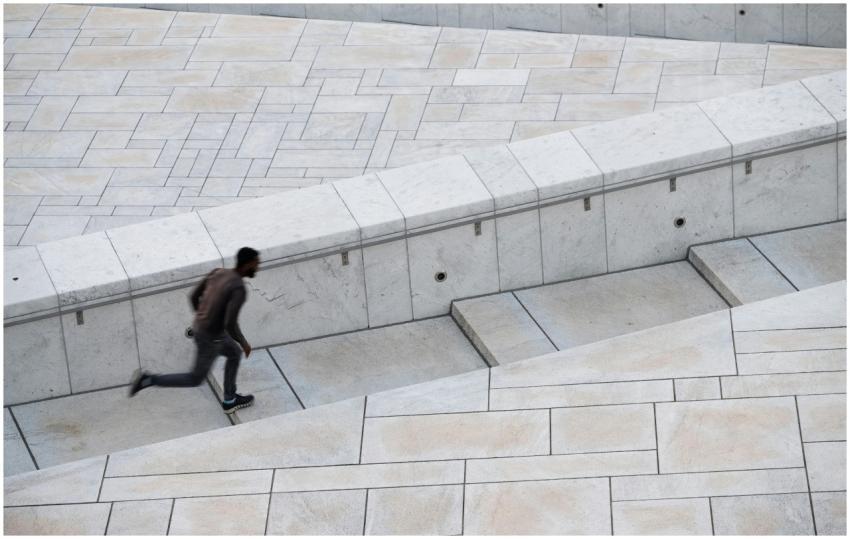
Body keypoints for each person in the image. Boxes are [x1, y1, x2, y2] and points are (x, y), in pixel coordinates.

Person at [129, 247, 260, 414]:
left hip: (202, 329)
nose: (258, 267)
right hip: (212, 337)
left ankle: (230, 399)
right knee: (195, 378)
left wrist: (202, 320)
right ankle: (149, 380)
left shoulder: (218, 272)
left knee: (234, 353)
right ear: (247, 264)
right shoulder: (238, 289)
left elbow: (193, 296)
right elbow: (230, 323)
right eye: (256, 264)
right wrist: (244, 342)